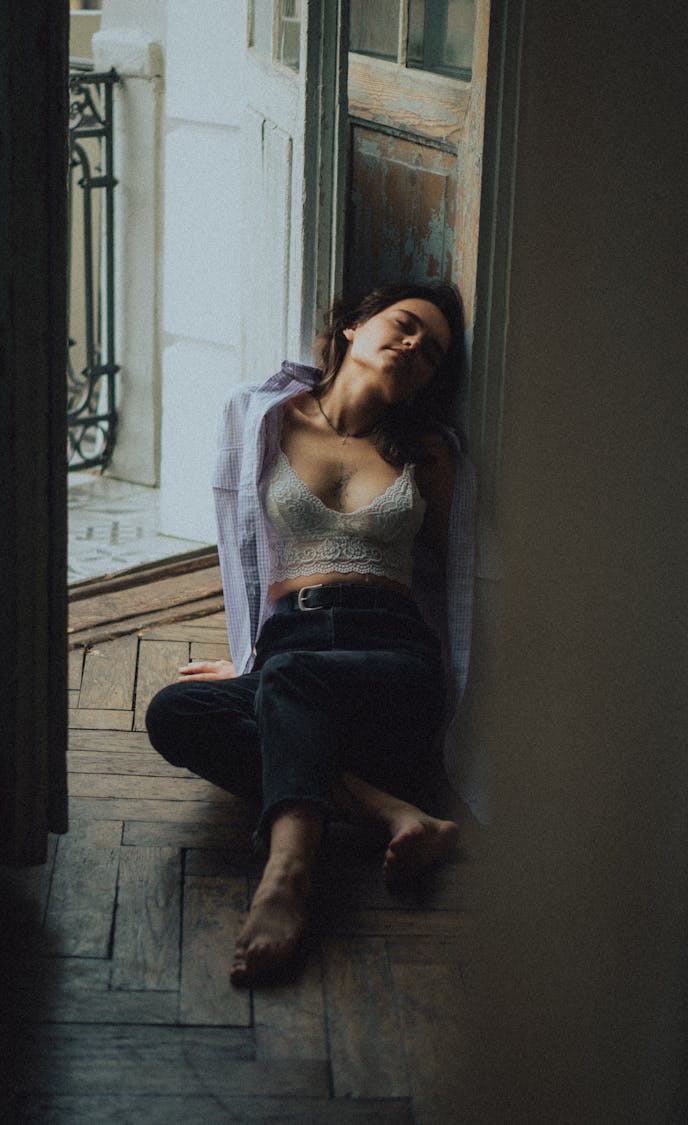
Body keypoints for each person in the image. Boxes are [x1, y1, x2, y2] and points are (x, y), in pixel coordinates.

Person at [146, 281, 475, 985]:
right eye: (406, 325)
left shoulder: (430, 453)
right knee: (173, 712)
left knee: (291, 685)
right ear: (355, 324)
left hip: (392, 658)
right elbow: (242, 553)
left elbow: (468, 579)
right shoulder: (263, 418)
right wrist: (248, 664)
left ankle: (286, 880)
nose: (417, 348)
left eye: (434, 352)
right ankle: (389, 810)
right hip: (292, 645)